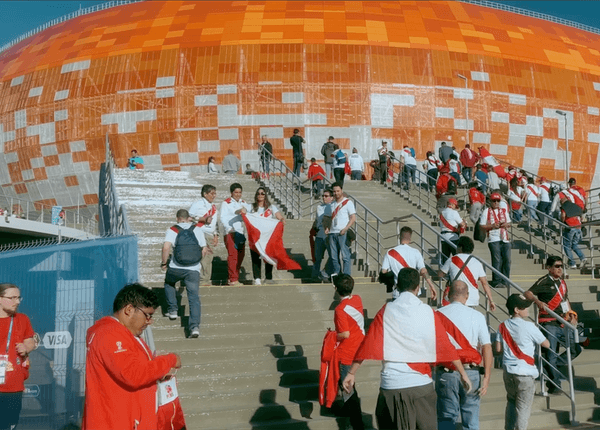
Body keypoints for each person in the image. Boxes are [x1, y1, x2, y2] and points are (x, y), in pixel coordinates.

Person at [342, 267, 472, 430]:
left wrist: (352, 372)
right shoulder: (428, 312)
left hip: (391, 387)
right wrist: (463, 373)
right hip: (421, 386)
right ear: (418, 287)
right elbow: (446, 346)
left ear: (397, 286)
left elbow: (368, 344)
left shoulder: (386, 310)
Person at [82, 284, 181, 430]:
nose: (149, 321)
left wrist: (157, 373)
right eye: (147, 315)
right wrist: (169, 360)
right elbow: (133, 374)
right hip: (116, 422)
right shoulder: (109, 334)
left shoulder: (127, 334)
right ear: (128, 310)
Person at [435, 280, 493, 430]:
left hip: (446, 372)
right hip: (471, 371)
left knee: (446, 418)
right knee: (471, 420)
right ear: (467, 295)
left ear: (448, 294)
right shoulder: (478, 316)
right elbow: (487, 347)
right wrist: (486, 377)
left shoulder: (437, 315)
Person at [524, 256, 582, 394]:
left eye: (561, 266)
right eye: (556, 266)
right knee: (551, 354)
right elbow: (527, 293)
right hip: (548, 322)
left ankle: (549, 366)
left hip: (562, 321)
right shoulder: (544, 281)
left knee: (575, 349)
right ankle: (554, 384)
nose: (560, 269)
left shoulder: (562, 282)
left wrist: (572, 315)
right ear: (549, 268)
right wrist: (538, 302)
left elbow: (565, 300)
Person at [495, 294, 549, 430]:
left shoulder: (502, 326)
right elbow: (546, 344)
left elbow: (498, 348)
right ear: (516, 310)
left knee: (511, 403)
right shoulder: (529, 326)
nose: (527, 309)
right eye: (524, 307)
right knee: (523, 409)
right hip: (525, 372)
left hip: (508, 372)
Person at [161, 209, 208, 338]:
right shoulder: (197, 229)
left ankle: (173, 310)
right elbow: (204, 250)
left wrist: (164, 263)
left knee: (169, 283)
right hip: (193, 269)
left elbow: (166, 247)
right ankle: (194, 327)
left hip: (176, 267)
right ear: (188, 218)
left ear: (177, 218)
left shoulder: (173, 229)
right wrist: (197, 262)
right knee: (194, 298)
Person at [332, 274, 365, 430]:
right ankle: (348, 410)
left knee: (348, 388)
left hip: (346, 352)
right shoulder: (357, 300)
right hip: (359, 348)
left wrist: (332, 335)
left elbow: (344, 334)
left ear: (336, 289)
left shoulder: (340, 310)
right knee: (348, 386)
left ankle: (356, 424)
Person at [0, 284, 35, 430]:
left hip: (13, 387)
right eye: (12, 298)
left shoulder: (22, 319)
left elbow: (30, 341)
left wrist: (26, 347)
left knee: (9, 426)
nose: (17, 301)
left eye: (18, 297)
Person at [380, 226, 437, 301]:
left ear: (399, 237)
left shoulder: (390, 252)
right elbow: (423, 271)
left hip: (398, 292)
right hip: (414, 292)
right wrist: (431, 285)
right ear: (410, 238)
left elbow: (384, 271)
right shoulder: (416, 252)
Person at [439, 236, 496, 310]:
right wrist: (491, 300)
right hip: (472, 299)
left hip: (457, 299)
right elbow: (484, 283)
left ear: (460, 247)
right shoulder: (477, 262)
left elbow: (440, 274)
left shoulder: (452, 260)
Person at [244, 187, 285, 285]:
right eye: (258, 193)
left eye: (262, 193)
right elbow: (243, 210)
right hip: (255, 237)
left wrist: (282, 220)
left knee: (268, 256)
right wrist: (241, 211)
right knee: (255, 256)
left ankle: (268, 277)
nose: (260, 195)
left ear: (266, 195)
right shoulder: (251, 206)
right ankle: (257, 278)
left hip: (267, 237)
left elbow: (279, 216)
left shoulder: (271, 207)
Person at [220, 183, 252, 286]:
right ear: (231, 193)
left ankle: (234, 277)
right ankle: (233, 279)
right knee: (233, 255)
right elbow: (223, 217)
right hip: (231, 232)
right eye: (236, 192)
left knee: (240, 255)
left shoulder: (244, 202)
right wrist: (228, 229)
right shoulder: (226, 203)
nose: (238, 194)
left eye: (239, 192)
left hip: (240, 232)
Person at [189, 184, 219, 286]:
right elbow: (189, 217)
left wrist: (216, 235)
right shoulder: (198, 204)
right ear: (205, 194)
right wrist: (203, 219)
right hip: (200, 232)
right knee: (202, 256)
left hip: (210, 233)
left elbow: (215, 222)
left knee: (209, 258)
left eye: (215, 193)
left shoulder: (213, 206)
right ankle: (201, 279)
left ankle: (206, 279)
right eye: (212, 193)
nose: (214, 196)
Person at [479, 192, 512, 288]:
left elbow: (509, 223)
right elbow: (481, 226)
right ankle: (496, 280)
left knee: (507, 259)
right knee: (497, 260)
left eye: (498, 201)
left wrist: (505, 225)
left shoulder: (504, 211)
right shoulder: (486, 211)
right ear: (490, 201)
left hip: (504, 238)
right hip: (493, 238)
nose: (496, 203)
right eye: (494, 201)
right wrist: (492, 226)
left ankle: (505, 280)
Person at [325, 182, 356, 276]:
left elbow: (353, 218)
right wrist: (327, 228)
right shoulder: (331, 204)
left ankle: (346, 276)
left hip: (342, 233)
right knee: (334, 257)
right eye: (334, 191)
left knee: (345, 256)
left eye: (338, 191)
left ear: (341, 191)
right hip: (332, 232)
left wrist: (346, 228)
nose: (336, 193)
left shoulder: (348, 202)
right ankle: (337, 274)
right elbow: (329, 218)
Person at [312, 189, 334, 281]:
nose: (324, 197)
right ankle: (314, 276)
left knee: (333, 256)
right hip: (319, 235)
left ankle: (326, 273)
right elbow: (317, 220)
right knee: (317, 257)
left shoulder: (333, 207)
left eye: (326, 196)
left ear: (331, 198)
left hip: (329, 235)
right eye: (323, 196)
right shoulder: (319, 207)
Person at [439, 198, 466, 263]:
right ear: (452, 205)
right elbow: (462, 224)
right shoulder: (454, 212)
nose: (455, 207)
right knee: (457, 257)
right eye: (455, 205)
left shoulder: (442, 213)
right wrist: (465, 222)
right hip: (453, 237)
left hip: (443, 237)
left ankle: (445, 272)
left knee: (445, 258)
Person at [561, 203, 587, 269]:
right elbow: (581, 215)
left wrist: (562, 222)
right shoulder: (574, 206)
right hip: (578, 227)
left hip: (570, 227)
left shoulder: (564, 206)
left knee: (566, 246)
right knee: (574, 245)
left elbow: (563, 216)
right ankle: (582, 257)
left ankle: (572, 263)